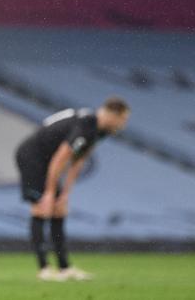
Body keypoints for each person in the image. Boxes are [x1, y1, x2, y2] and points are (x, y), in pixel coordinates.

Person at [15, 97, 130, 281]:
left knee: (59, 209)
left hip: (47, 161)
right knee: (42, 207)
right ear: (111, 115)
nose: (123, 125)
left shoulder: (100, 130)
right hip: (33, 157)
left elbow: (79, 159)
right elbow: (61, 157)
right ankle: (44, 269)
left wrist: (66, 192)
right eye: (122, 119)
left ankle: (64, 268)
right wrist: (50, 192)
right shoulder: (86, 125)